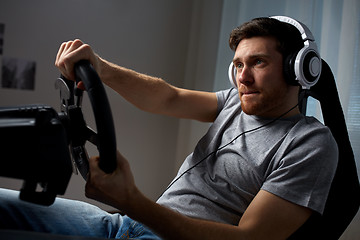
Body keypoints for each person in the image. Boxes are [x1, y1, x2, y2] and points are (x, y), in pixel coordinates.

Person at [0, 17, 338, 240]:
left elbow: (249, 239)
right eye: (238, 65)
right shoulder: (237, 100)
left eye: (258, 62)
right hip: (123, 225)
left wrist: (131, 200)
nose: (243, 77)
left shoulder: (310, 143)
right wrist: (101, 69)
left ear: (298, 69)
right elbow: (168, 98)